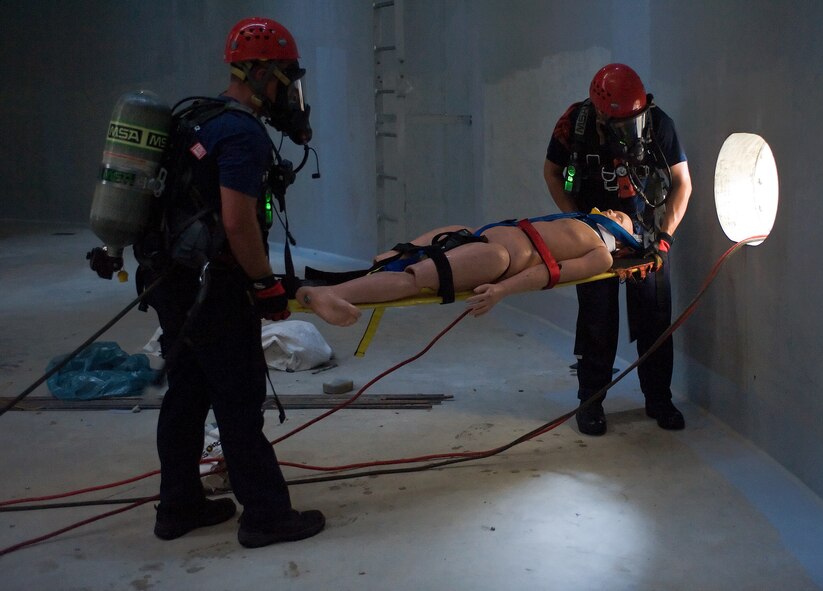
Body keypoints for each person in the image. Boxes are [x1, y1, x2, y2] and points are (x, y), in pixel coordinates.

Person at [134, 18, 360, 548]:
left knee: (186, 394)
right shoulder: (241, 133)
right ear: (258, 73)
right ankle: (265, 517)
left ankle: (178, 505)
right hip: (214, 292)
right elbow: (237, 221)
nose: (289, 92)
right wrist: (265, 286)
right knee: (238, 401)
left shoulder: (199, 121)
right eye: (285, 78)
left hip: (173, 282)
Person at [543, 63, 692, 436]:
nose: (631, 131)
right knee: (597, 319)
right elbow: (551, 171)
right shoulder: (573, 125)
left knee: (655, 318)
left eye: (635, 120)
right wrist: (575, 222)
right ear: (598, 113)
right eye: (621, 124)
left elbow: (682, 183)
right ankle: (590, 402)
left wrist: (665, 238)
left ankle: (658, 398)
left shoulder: (659, 125)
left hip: (647, 234)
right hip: (595, 235)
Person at [303, 209, 638, 317]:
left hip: (500, 258)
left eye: (619, 216)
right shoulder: (576, 219)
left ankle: (336, 294)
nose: (610, 212)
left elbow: (549, 272)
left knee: (415, 278)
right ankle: (362, 273)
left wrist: (502, 290)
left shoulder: (601, 254)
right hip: (483, 235)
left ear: (622, 241)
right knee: (410, 251)